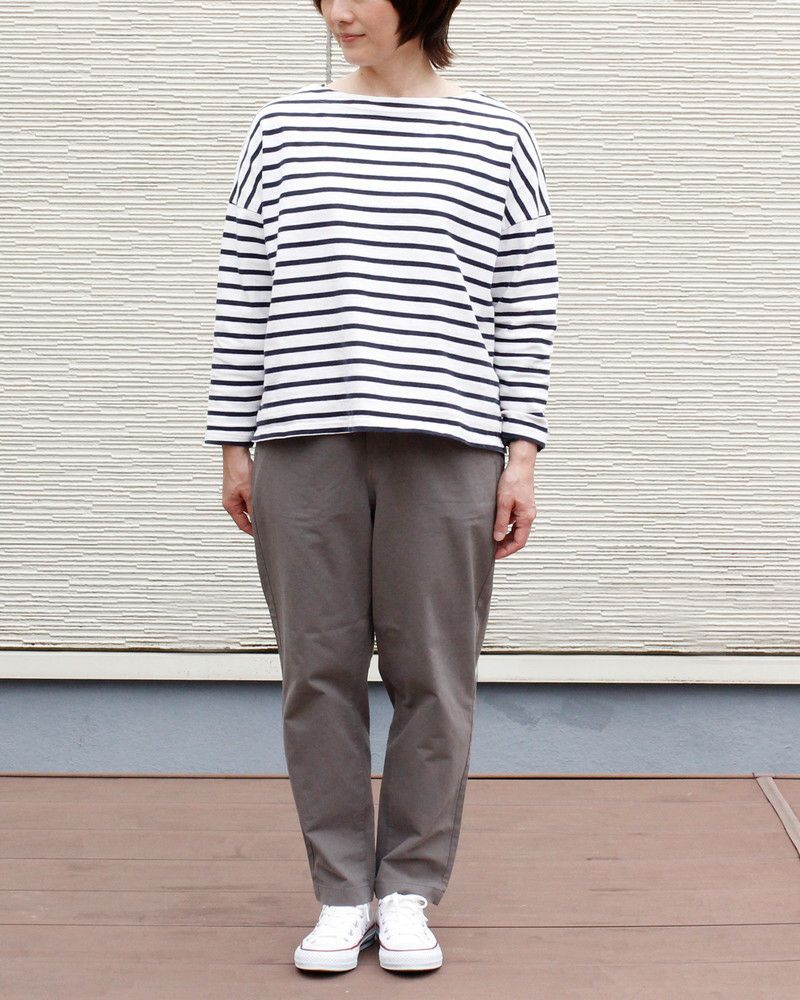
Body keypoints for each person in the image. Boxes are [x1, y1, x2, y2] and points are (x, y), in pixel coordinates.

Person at [204, 0, 558, 976]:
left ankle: (406, 891)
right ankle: (337, 894)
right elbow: (244, 287)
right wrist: (232, 439)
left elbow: (525, 302)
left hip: (448, 444)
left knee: (433, 678)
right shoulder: (283, 127)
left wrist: (522, 453)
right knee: (314, 674)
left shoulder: (496, 135)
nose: (337, 10)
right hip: (302, 438)